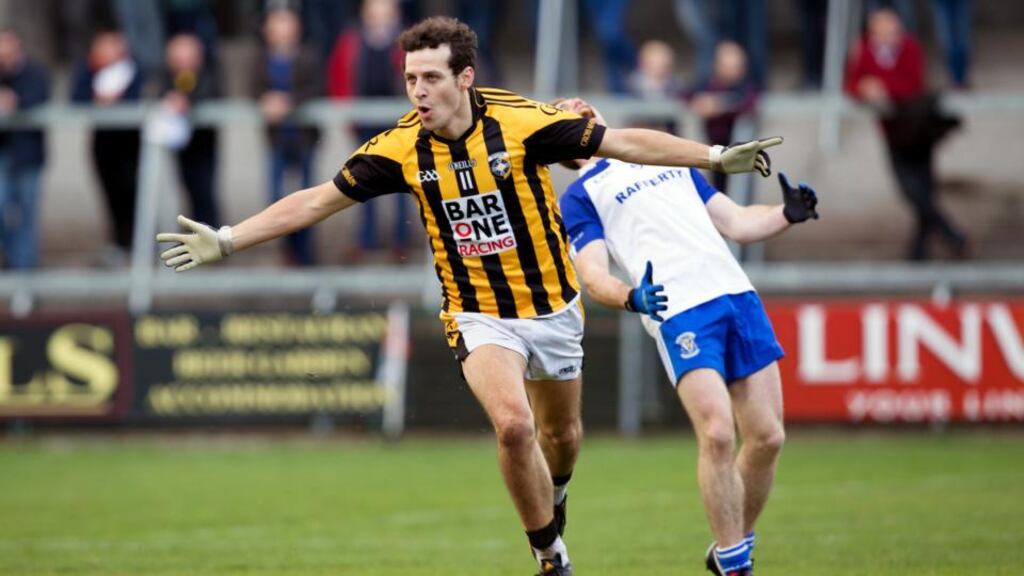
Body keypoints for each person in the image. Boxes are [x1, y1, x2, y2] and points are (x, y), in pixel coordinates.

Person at [156, 17, 781, 576]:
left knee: (561, 437)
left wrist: (715, 155)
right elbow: (317, 200)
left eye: (430, 77)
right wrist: (230, 238)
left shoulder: (522, 122)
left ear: (465, 77)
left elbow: (623, 142)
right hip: (477, 312)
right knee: (514, 426)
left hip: (554, 308)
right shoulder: (400, 148)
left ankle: (555, 494)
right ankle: (549, 554)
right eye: (410, 79)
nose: (418, 91)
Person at [555, 98, 818, 576]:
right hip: (680, 310)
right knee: (717, 432)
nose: (575, 105)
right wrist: (631, 297)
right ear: (564, 142)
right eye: (563, 112)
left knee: (767, 437)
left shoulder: (667, 159)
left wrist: (787, 213)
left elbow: (736, 222)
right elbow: (592, 275)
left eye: (578, 103)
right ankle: (737, 562)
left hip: (737, 296)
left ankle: (729, 550)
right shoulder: (580, 197)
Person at [844, 7, 966, 260]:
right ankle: (943, 237)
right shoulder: (865, 51)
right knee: (911, 190)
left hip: (918, 129)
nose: (889, 35)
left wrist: (883, 87)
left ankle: (927, 246)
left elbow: (914, 85)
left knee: (923, 189)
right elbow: (852, 84)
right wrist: (865, 89)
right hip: (893, 132)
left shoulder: (910, 48)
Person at [327, 0, 411, 261]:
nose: (379, 16)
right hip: (363, 123)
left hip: (398, 123)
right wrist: (348, 114)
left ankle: (401, 241)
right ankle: (366, 240)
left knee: (402, 184)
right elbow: (338, 77)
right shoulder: (351, 41)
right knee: (362, 181)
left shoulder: (408, 42)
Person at [252, 7, 323, 266]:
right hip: (277, 139)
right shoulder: (261, 59)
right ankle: (288, 248)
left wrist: (289, 102)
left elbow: (318, 88)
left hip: (303, 138)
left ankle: (306, 252)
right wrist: (265, 100)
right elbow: (252, 89)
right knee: (276, 196)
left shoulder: (309, 56)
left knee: (309, 199)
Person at [71, 29, 143, 266]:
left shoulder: (136, 71)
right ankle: (119, 243)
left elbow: (142, 98)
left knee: (135, 194)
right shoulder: (89, 72)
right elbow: (76, 98)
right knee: (112, 197)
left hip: (132, 146)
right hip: (104, 146)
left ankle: (140, 244)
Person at [159, 32, 221, 228]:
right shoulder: (165, 77)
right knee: (174, 190)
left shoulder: (208, 74)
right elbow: (154, 92)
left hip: (202, 144)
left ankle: (209, 233)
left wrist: (188, 102)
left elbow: (212, 92)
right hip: (173, 145)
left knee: (203, 190)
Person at [0, 28, 50, 269]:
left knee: (27, 215)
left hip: (28, 155)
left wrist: (16, 102)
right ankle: (11, 259)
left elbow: (39, 98)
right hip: (4, 154)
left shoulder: (35, 72)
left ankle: (25, 270)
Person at [687, 41, 759, 194]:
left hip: (740, 155)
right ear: (717, 66)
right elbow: (686, 96)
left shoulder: (746, 87)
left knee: (741, 193)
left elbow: (749, 104)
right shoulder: (706, 84)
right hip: (711, 151)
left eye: (736, 67)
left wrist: (718, 105)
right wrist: (699, 103)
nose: (732, 71)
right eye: (727, 66)